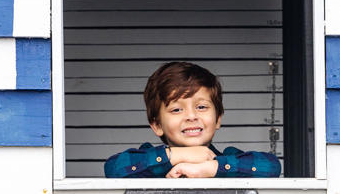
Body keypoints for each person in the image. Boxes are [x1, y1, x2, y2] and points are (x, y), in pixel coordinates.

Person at [104, 61, 281, 178]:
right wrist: (178, 156)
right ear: (157, 125)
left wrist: (211, 168)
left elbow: (271, 167)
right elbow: (113, 168)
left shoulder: (229, 158)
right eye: (176, 109)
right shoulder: (145, 161)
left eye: (201, 107)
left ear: (218, 119)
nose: (191, 116)